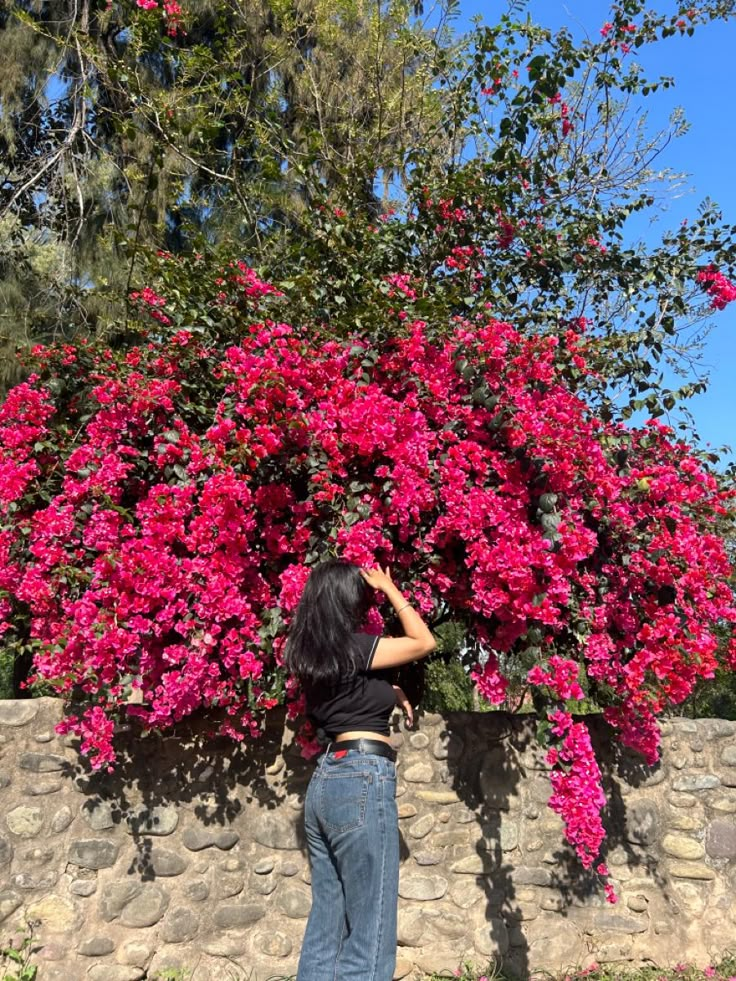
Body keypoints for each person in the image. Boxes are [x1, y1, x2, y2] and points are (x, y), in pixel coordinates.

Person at [285, 558, 436, 981]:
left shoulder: (308, 653)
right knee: (371, 925)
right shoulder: (353, 646)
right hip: (362, 777)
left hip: (325, 783)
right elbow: (423, 641)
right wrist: (389, 588)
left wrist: (389, 689)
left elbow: (351, 693)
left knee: (327, 924)